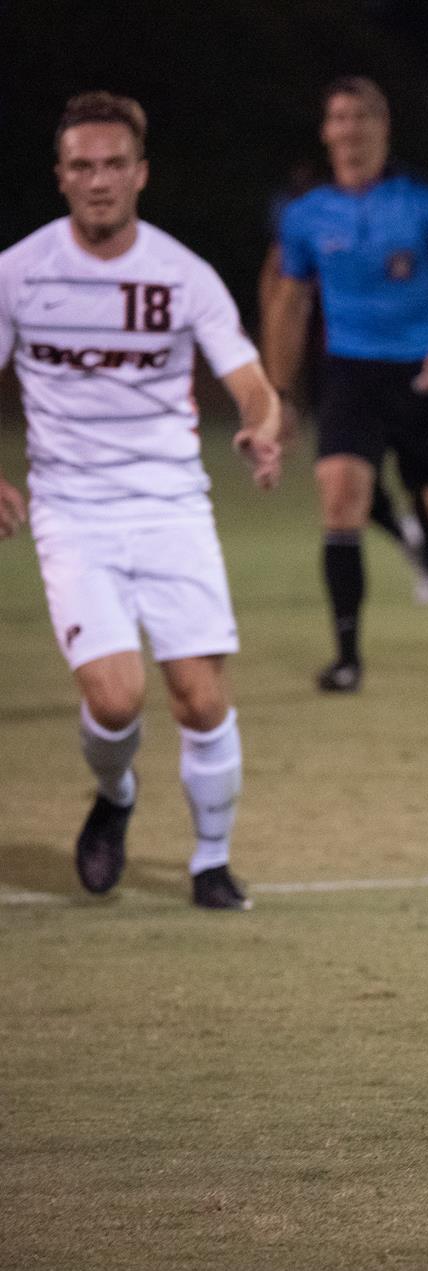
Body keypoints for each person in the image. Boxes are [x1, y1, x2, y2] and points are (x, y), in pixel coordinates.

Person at [0, 92, 284, 910]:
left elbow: (252, 383)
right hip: (72, 512)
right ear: (60, 178)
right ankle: (117, 795)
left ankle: (210, 860)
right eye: (82, 166)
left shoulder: (182, 275)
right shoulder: (20, 272)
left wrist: (260, 427)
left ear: (141, 175)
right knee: (116, 696)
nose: (98, 181)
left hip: (170, 508)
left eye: (114, 165)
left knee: (199, 696)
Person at [262, 76, 428, 692]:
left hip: (425, 376)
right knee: (340, 501)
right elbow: (289, 306)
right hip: (348, 375)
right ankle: (347, 658)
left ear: (383, 126)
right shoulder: (306, 214)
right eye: (338, 117)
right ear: (326, 132)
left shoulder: (427, 200)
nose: (349, 129)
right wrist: (276, 396)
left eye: (361, 117)